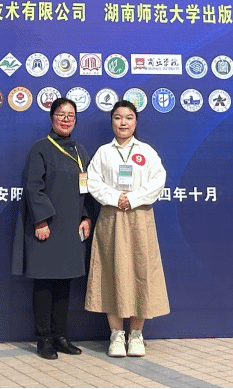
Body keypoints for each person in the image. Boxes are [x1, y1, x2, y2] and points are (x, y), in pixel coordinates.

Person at [12, 97, 95, 359]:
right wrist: (40, 220)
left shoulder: (80, 151)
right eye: (61, 114)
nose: (66, 119)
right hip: (47, 227)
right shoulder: (41, 148)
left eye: (71, 115)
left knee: (64, 283)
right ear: (51, 118)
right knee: (45, 283)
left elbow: (87, 188)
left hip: (71, 228)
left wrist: (86, 216)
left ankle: (60, 336)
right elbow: (33, 187)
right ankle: (43, 339)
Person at [85, 100, 169, 358]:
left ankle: (136, 334)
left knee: (140, 270)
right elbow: (93, 182)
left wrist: (132, 198)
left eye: (129, 117)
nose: (123, 122)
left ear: (135, 122)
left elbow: (158, 181)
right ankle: (116, 334)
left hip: (139, 216)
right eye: (118, 117)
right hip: (111, 217)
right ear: (112, 121)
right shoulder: (103, 152)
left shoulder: (147, 151)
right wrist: (115, 198)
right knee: (112, 271)